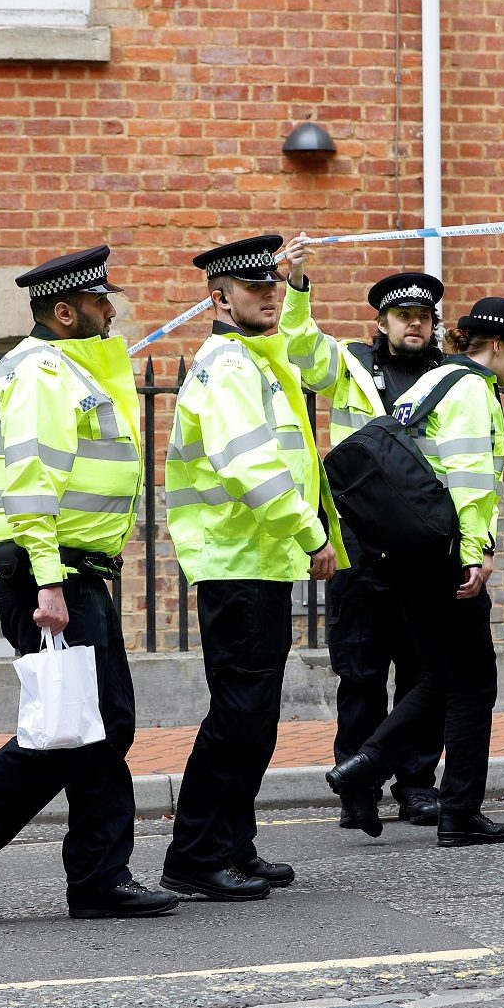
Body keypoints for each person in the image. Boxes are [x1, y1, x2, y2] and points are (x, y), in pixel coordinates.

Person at [0, 246, 177, 924]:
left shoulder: (64, 367)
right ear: (65, 311)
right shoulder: (40, 371)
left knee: (94, 725)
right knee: (74, 725)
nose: (110, 312)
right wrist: (50, 585)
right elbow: (32, 480)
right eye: (99, 304)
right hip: (48, 571)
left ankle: (97, 876)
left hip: (67, 568)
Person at [160, 234, 343, 900]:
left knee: (253, 714)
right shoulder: (230, 366)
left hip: (254, 559)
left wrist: (297, 285)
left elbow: (294, 336)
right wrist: (310, 531)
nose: (268, 295)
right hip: (239, 560)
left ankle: (233, 843)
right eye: (254, 287)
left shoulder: (253, 357)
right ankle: (195, 855)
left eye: (272, 284)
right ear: (220, 298)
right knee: (239, 714)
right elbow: (251, 465)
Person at [324, 297, 504, 846]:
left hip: (404, 555)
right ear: (497, 346)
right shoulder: (471, 390)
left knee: (443, 677)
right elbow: (469, 477)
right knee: (472, 682)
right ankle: (455, 808)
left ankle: (375, 769)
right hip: (444, 554)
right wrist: (477, 550)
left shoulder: (432, 382)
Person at [279, 243, 446, 829]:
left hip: (425, 550)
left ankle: (418, 784)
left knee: (425, 672)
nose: (415, 325)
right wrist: (296, 284)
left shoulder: (451, 380)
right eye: (403, 316)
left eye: (424, 316)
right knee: (361, 672)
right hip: (359, 546)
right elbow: (299, 345)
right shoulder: (349, 366)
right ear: (381, 323)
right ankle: (356, 785)